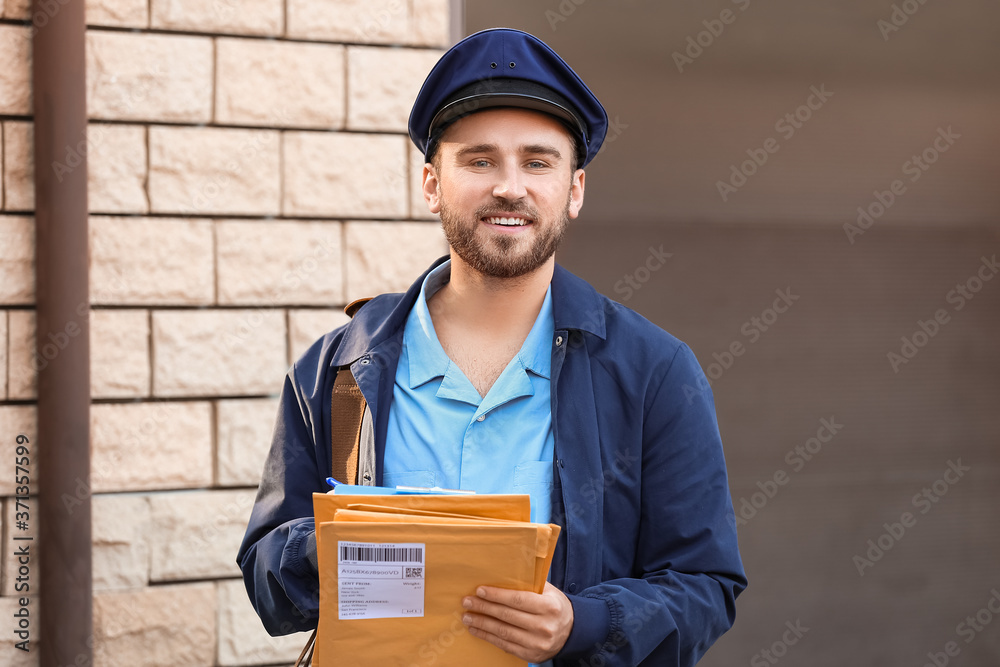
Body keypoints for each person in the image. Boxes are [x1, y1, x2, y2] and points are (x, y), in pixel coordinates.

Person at [238, 27, 746, 667]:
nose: (510, 187)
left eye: (538, 162)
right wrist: (331, 548)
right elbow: (267, 580)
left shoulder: (655, 373)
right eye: (480, 161)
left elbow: (705, 587)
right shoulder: (337, 370)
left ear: (575, 190)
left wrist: (583, 623)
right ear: (431, 184)